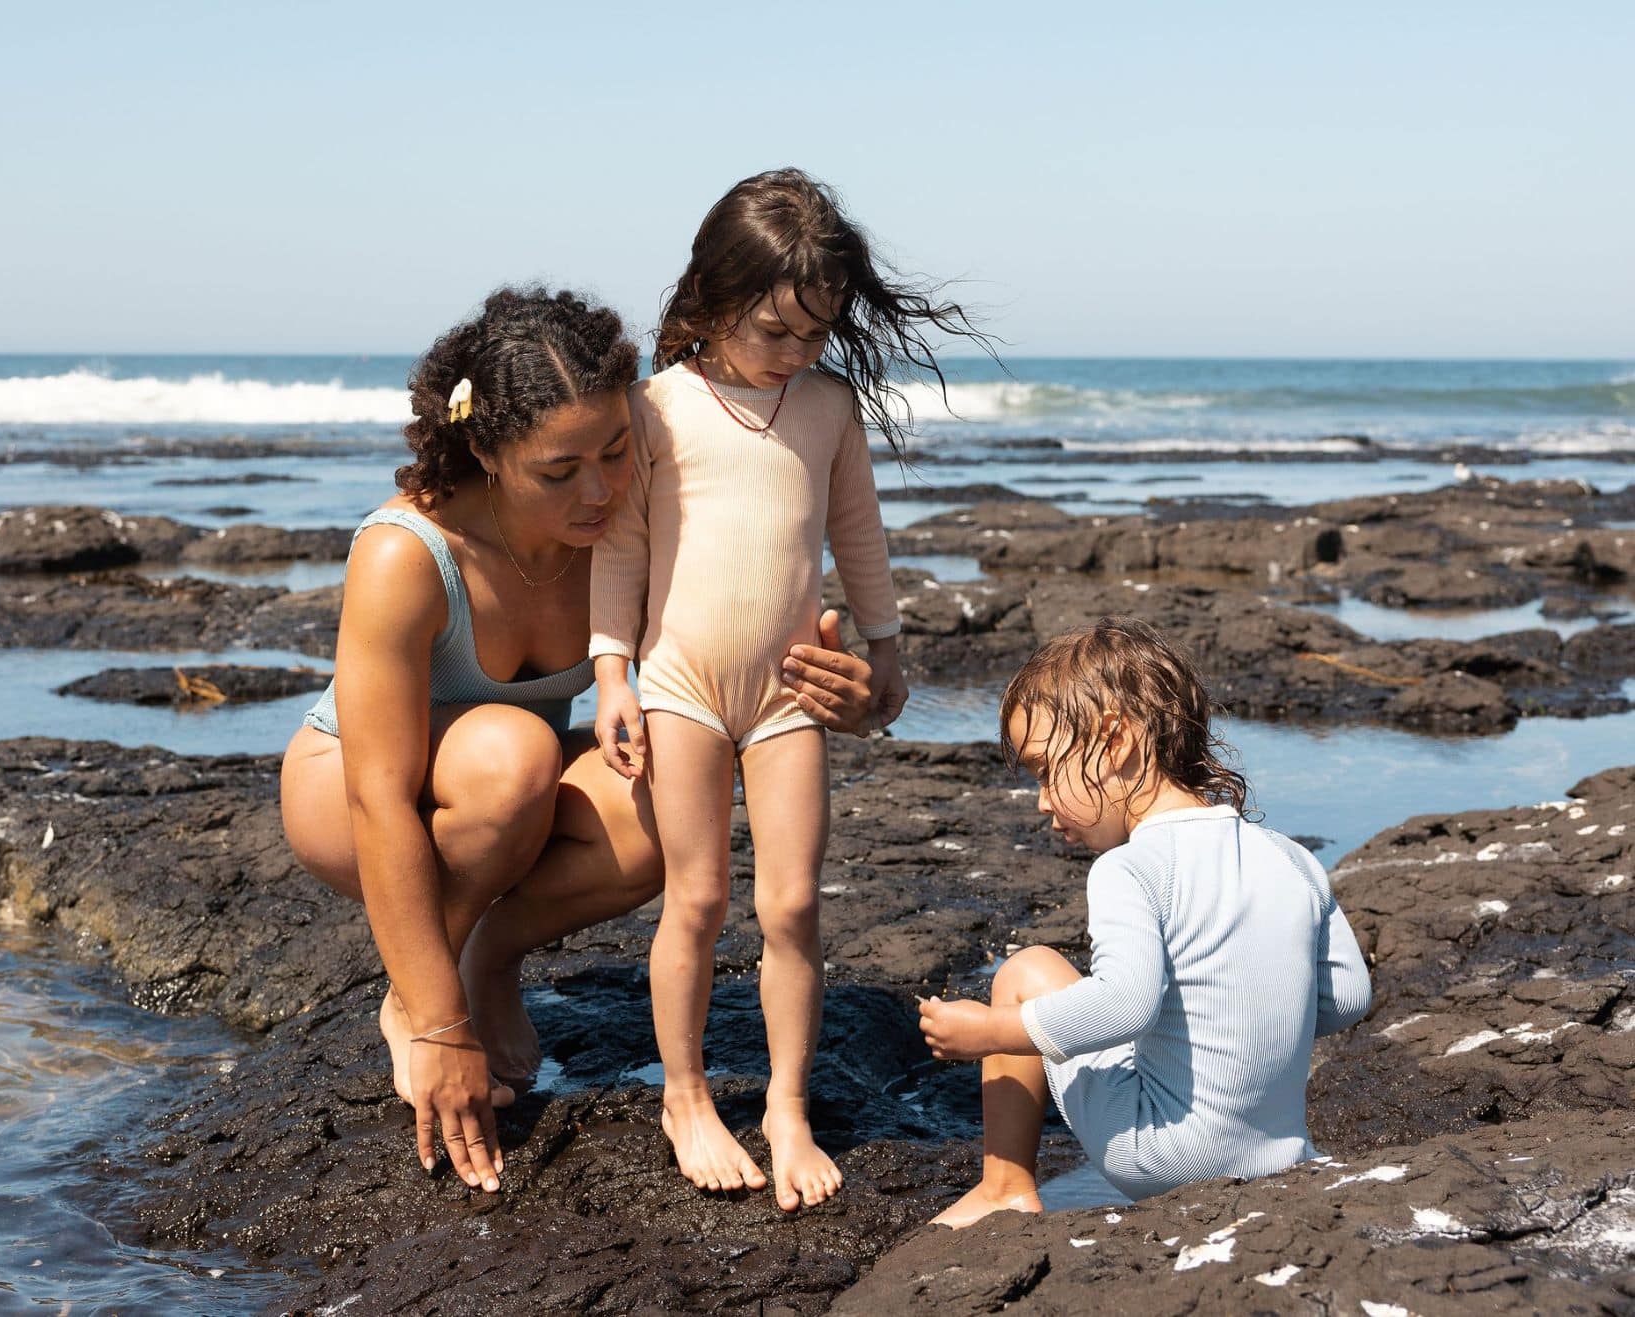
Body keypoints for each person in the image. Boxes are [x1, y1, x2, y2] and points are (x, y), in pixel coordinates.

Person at [279, 287, 884, 1195]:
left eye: (616, 450)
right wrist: (438, 1024)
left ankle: (491, 954)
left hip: (504, 795)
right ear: (486, 449)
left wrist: (856, 688)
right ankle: (426, 987)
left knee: (669, 815)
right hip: (353, 794)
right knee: (513, 755)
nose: (600, 488)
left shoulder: (619, 529)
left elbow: (742, 622)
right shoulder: (407, 553)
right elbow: (379, 795)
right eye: (561, 470)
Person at [589, 168, 993, 1212]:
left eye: (818, 333)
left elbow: (857, 531)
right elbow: (624, 551)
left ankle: (785, 1108)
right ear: (714, 300)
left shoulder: (826, 407)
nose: (799, 352)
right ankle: (684, 1096)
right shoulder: (658, 409)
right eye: (777, 330)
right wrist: (610, 674)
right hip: (678, 685)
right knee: (699, 896)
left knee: (796, 902)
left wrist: (889, 648)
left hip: (788, 696)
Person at [917, 617, 1373, 1225]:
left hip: (1164, 1156)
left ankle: (1004, 1187)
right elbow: (1347, 997)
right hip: (1282, 1159)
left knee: (1028, 969)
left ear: (1115, 741)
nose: (1043, 800)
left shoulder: (1128, 868)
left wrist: (991, 1034)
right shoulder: (1290, 857)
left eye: (1046, 770)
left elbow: (1126, 1002)